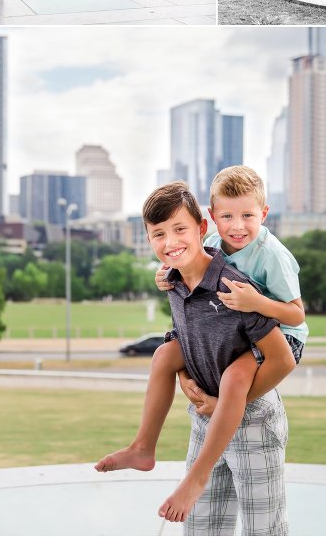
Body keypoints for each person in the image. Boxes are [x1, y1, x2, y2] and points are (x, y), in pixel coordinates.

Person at [96, 179, 299, 534]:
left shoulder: (235, 288)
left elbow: (282, 359)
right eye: (159, 234)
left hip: (253, 422)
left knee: (263, 532)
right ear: (148, 239)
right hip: (207, 420)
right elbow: (185, 340)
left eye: (179, 229)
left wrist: (226, 403)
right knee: (203, 530)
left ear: (201, 229)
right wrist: (184, 378)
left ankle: (193, 480)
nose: (170, 242)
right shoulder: (174, 282)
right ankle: (143, 448)